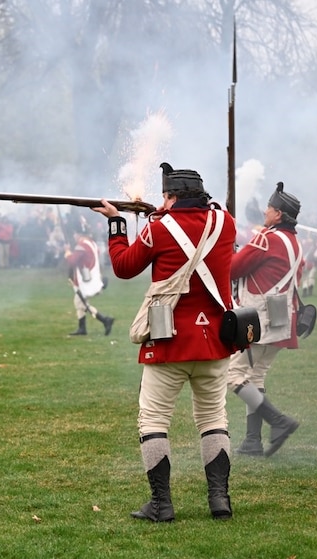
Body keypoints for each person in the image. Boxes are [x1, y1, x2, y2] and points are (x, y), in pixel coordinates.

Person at [94, 163, 237, 521]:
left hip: (169, 340)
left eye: (165, 196)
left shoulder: (159, 228)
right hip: (216, 341)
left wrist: (116, 223)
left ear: (171, 196)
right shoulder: (226, 223)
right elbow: (196, 225)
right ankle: (219, 500)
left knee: (154, 420)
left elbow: (124, 266)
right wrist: (161, 215)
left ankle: (162, 503)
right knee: (213, 418)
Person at [226, 182, 303, 458]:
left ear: (278, 214)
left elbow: (234, 269)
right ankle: (252, 440)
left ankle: (278, 421)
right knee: (255, 376)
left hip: (258, 319)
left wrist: (229, 251)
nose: (265, 211)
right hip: (281, 318)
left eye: (270, 208)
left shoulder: (266, 238)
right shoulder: (295, 243)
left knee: (234, 376)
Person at [64, 227, 115, 336]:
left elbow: (72, 261)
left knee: (80, 302)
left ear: (78, 234)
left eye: (75, 234)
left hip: (86, 280)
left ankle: (105, 320)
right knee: (81, 303)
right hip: (92, 277)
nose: (74, 236)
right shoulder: (92, 243)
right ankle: (83, 328)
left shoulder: (82, 245)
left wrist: (67, 252)